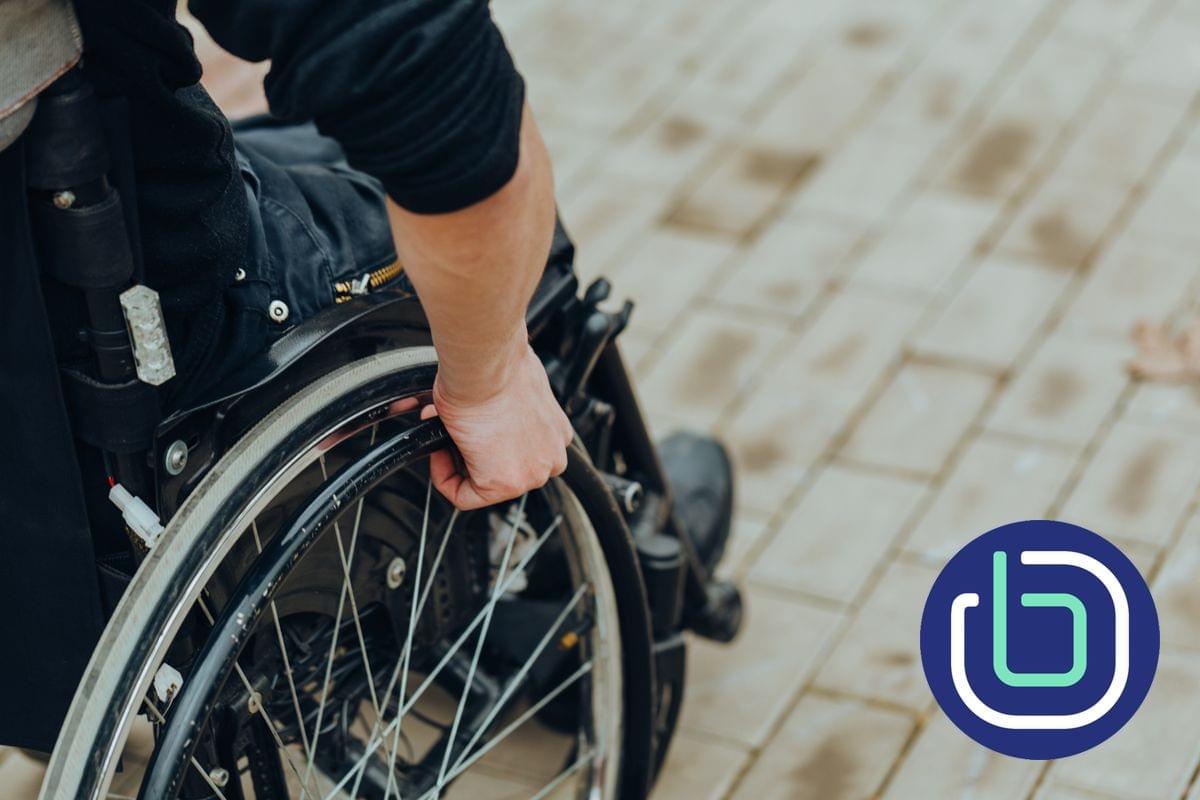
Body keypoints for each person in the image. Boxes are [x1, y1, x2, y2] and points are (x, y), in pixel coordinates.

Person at [58, 0, 733, 548]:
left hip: (42, 369)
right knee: (506, 214)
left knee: (310, 144)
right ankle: (565, 541)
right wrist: (489, 379)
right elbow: (431, 93)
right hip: (169, 312)